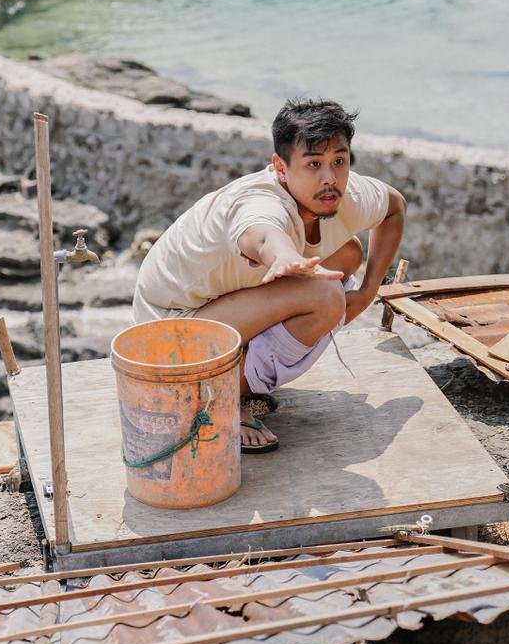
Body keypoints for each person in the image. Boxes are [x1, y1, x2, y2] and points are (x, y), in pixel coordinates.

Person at [132, 98, 406, 453]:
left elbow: (394, 207)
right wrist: (285, 256)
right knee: (324, 296)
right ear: (280, 167)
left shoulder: (342, 193)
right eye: (313, 164)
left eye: (339, 161)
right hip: (164, 335)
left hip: (223, 306)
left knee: (349, 252)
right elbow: (260, 233)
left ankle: (238, 377)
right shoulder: (259, 201)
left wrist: (369, 290)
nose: (329, 177)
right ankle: (220, 399)